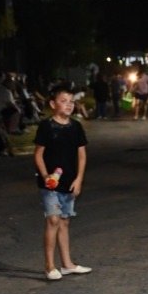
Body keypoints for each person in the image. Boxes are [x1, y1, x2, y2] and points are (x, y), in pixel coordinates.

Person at [33, 85, 92, 281]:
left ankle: (67, 264)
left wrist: (79, 179)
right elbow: (38, 154)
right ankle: (49, 266)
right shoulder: (46, 126)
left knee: (65, 222)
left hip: (69, 182)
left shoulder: (76, 127)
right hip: (50, 183)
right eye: (63, 101)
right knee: (53, 220)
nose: (69, 105)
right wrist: (45, 176)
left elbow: (81, 155)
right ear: (53, 104)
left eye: (71, 102)